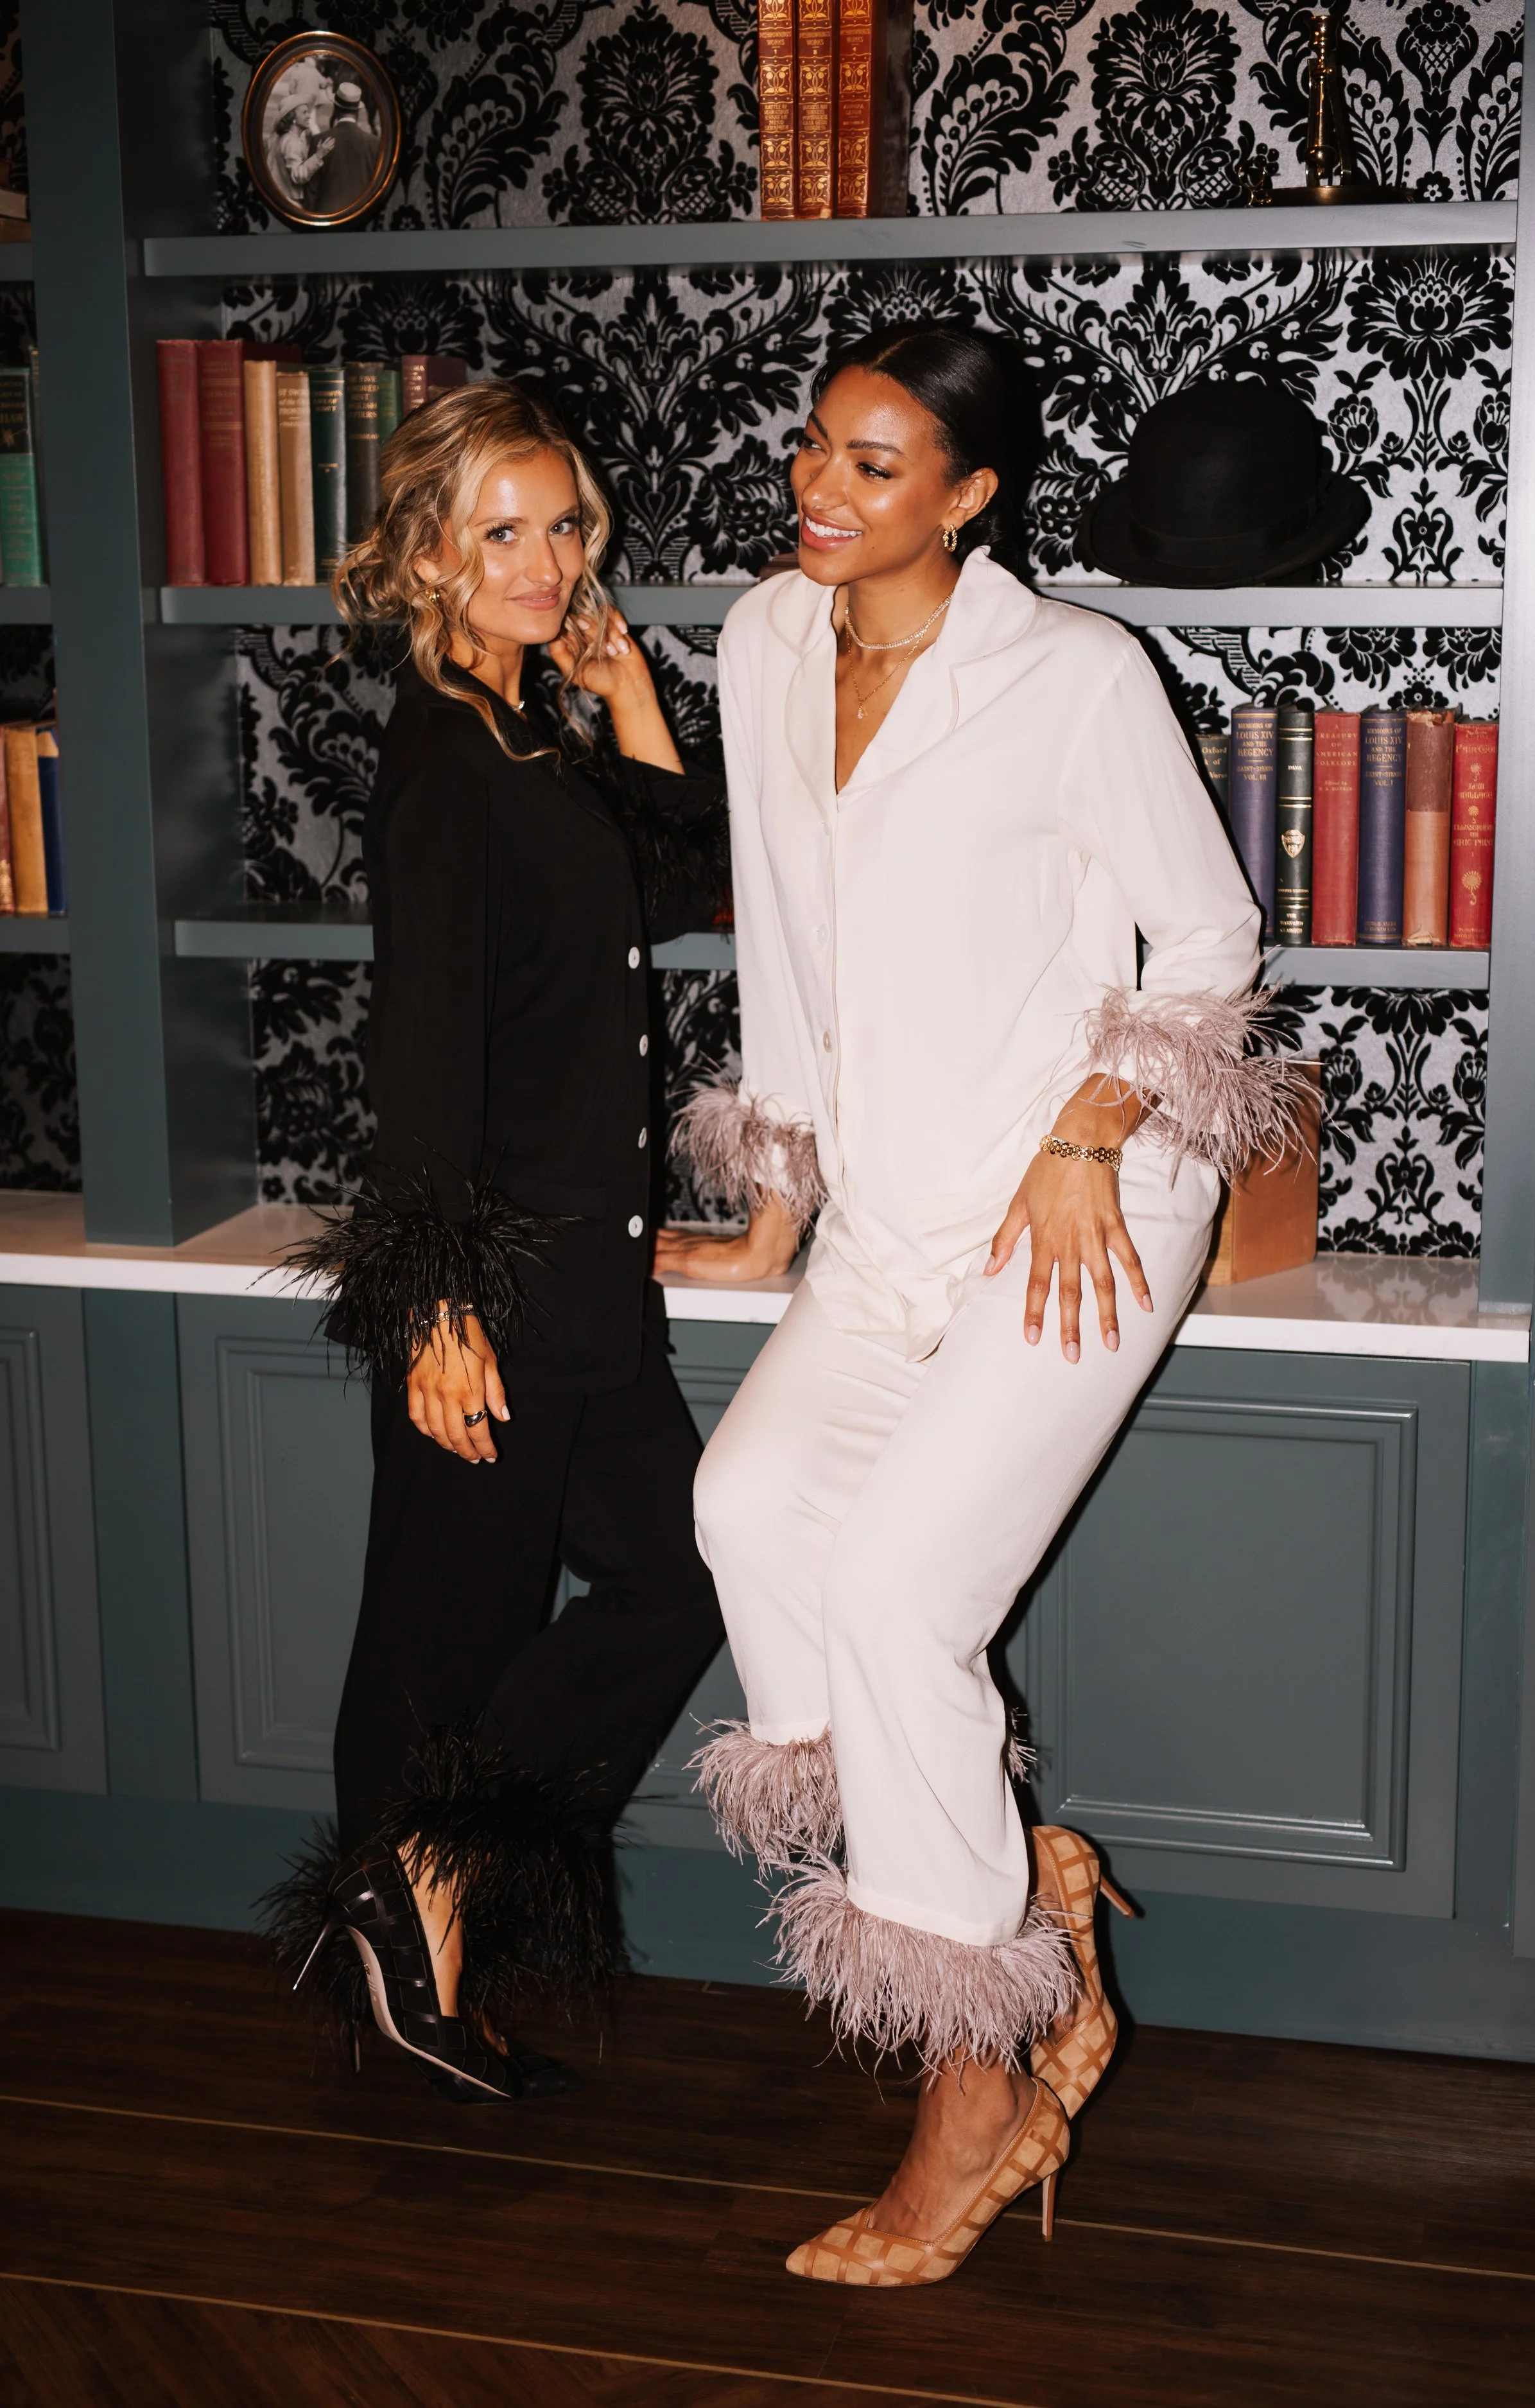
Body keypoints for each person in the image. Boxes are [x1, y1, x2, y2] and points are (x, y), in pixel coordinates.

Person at [659, 325, 1295, 2281]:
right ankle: (996, 1876)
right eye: (812, 450)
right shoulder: (769, 641)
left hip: (1080, 1207)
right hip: (883, 1213)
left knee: (894, 1597)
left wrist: (1097, 1125)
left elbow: (1208, 935)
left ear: (966, 495)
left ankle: (977, 2073)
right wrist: (770, 1209)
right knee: (749, 1514)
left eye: (872, 464)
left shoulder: (1069, 676)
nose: (819, 489)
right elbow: (781, 942)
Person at [268, 381, 727, 2102]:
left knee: (678, 1576)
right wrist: (432, 1307)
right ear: (429, 559)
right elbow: (423, 1054)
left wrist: (625, 694)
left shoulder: (535, 734)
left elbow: (686, 882)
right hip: (503, 1290)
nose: (543, 562)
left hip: (589, 1286)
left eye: (560, 526)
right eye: (501, 533)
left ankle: (426, 1894)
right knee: (437, 1645)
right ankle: (422, 1940)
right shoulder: (447, 762)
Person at [307, 78, 379, 217]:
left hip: (327, 215)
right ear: (358, 111)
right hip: (361, 216)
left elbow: (312, 189)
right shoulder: (374, 143)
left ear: (336, 108)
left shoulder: (319, 140)